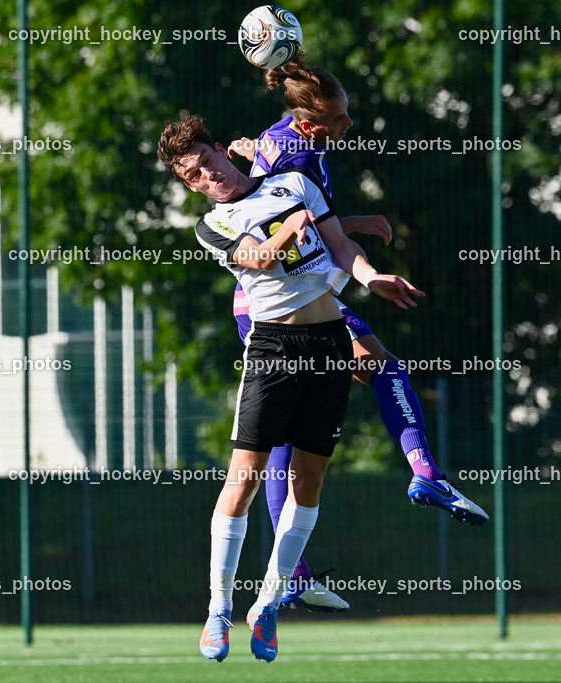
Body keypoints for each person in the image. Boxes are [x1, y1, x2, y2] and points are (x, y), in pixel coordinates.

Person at [158, 114, 423, 663]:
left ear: (221, 152)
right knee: (245, 480)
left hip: (329, 342)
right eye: (195, 176)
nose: (208, 177)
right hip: (272, 351)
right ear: (189, 186)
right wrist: (287, 227)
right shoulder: (212, 226)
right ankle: (217, 612)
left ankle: (269, 606)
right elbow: (258, 257)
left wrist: (372, 278)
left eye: (208, 163)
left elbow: (339, 246)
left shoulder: (294, 182)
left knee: (309, 482)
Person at [226, 60, 489, 615]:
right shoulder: (295, 155)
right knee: (378, 372)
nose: (347, 125)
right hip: (285, 306)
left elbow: (297, 205)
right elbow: (294, 227)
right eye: (337, 118)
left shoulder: (286, 138)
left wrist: (353, 221)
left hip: (293, 298)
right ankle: (424, 475)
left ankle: (295, 569)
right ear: (309, 123)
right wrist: (361, 254)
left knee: (293, 435)